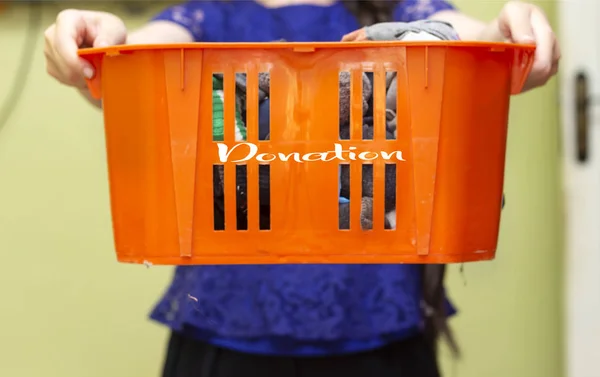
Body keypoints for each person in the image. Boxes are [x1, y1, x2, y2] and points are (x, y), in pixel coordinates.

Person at [43, 1, 560, 376]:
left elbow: (458, 34)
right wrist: (97, 39)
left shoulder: (395, 12)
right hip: (227, 331)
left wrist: (506, 29)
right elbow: (132, 60)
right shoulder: (204, 17)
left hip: (377, 328)